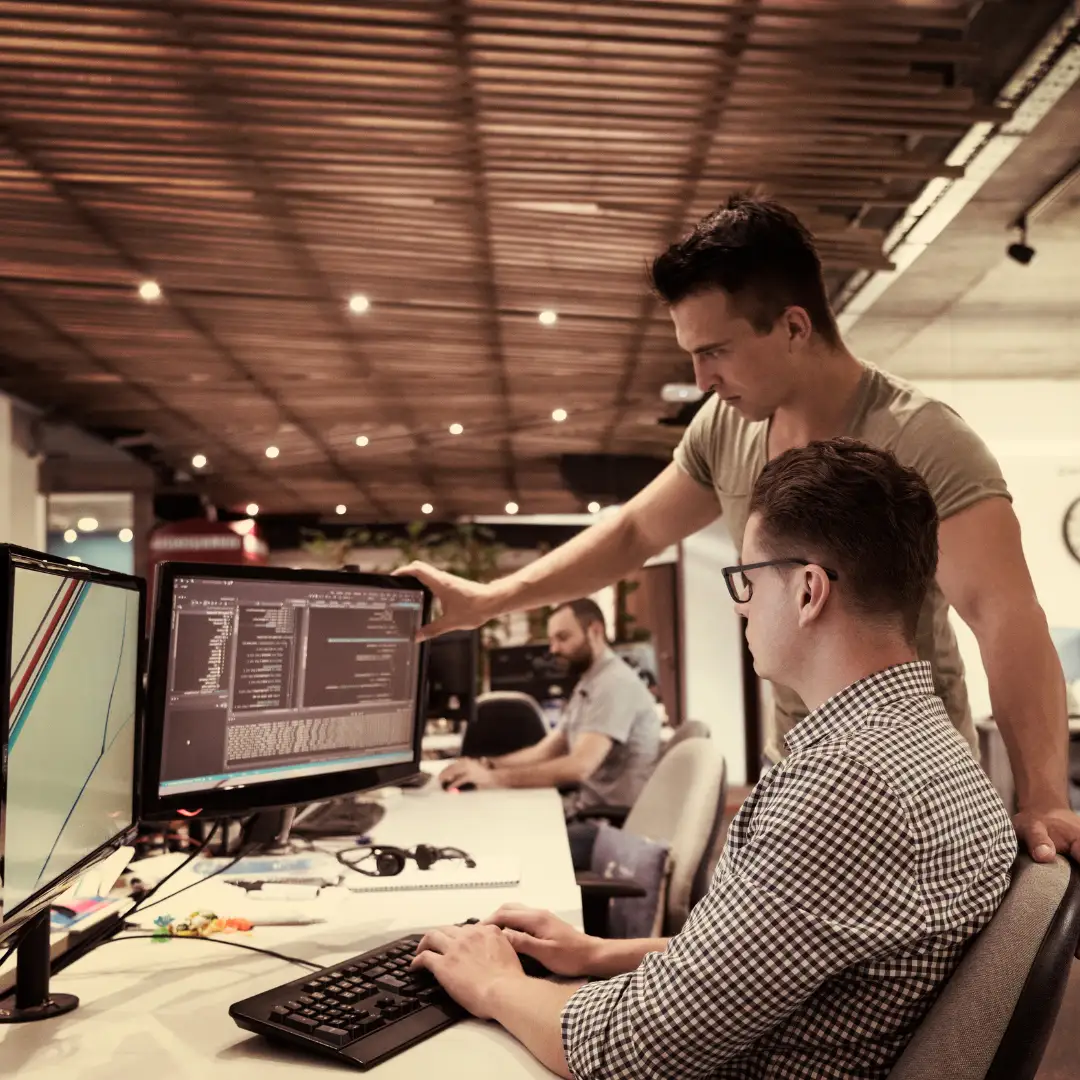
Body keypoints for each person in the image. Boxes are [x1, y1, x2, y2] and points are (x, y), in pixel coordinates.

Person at [397, 194, 1080, 861]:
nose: (700, 378)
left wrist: (1045, 797)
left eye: (716, 351)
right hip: (797, 773)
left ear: (792, 327)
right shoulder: (727, 428)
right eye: (692, 354)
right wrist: (486, 601)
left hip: (896, 788)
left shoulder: (924, 439)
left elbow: (1004, 618)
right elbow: (635, 532)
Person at [411, 439, 1018, 1079]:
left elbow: (628, 1052)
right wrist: (596, 953)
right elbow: (763, 953)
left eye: (745, 579)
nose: (739, 604)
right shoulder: (925, 742)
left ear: (809, 590)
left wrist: (495, 984)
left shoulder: (847, 782)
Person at [437, 600, 661, 821]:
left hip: (609, 825)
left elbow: (579, 766)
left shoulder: (614, 684)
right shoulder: (591, 682)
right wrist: (486, 765)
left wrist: (493, 778)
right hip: (586, 809)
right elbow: (548, 749)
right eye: (552, 640)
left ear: (595, 631)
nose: (554, 649)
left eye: (563, 638)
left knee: (505, 832)